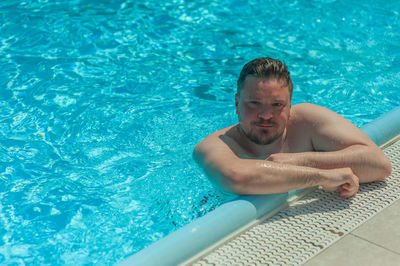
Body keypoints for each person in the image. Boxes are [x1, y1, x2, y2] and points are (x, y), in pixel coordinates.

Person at [193, 57, 392, 198]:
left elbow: (379, 164)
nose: (265, 115)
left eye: (277, 105)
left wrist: (299, 159)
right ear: (237, 103)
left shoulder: (306, 120)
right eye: (254, 103)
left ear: (290, 105)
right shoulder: (214, 146)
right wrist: (322, 176)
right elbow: (237, 177)